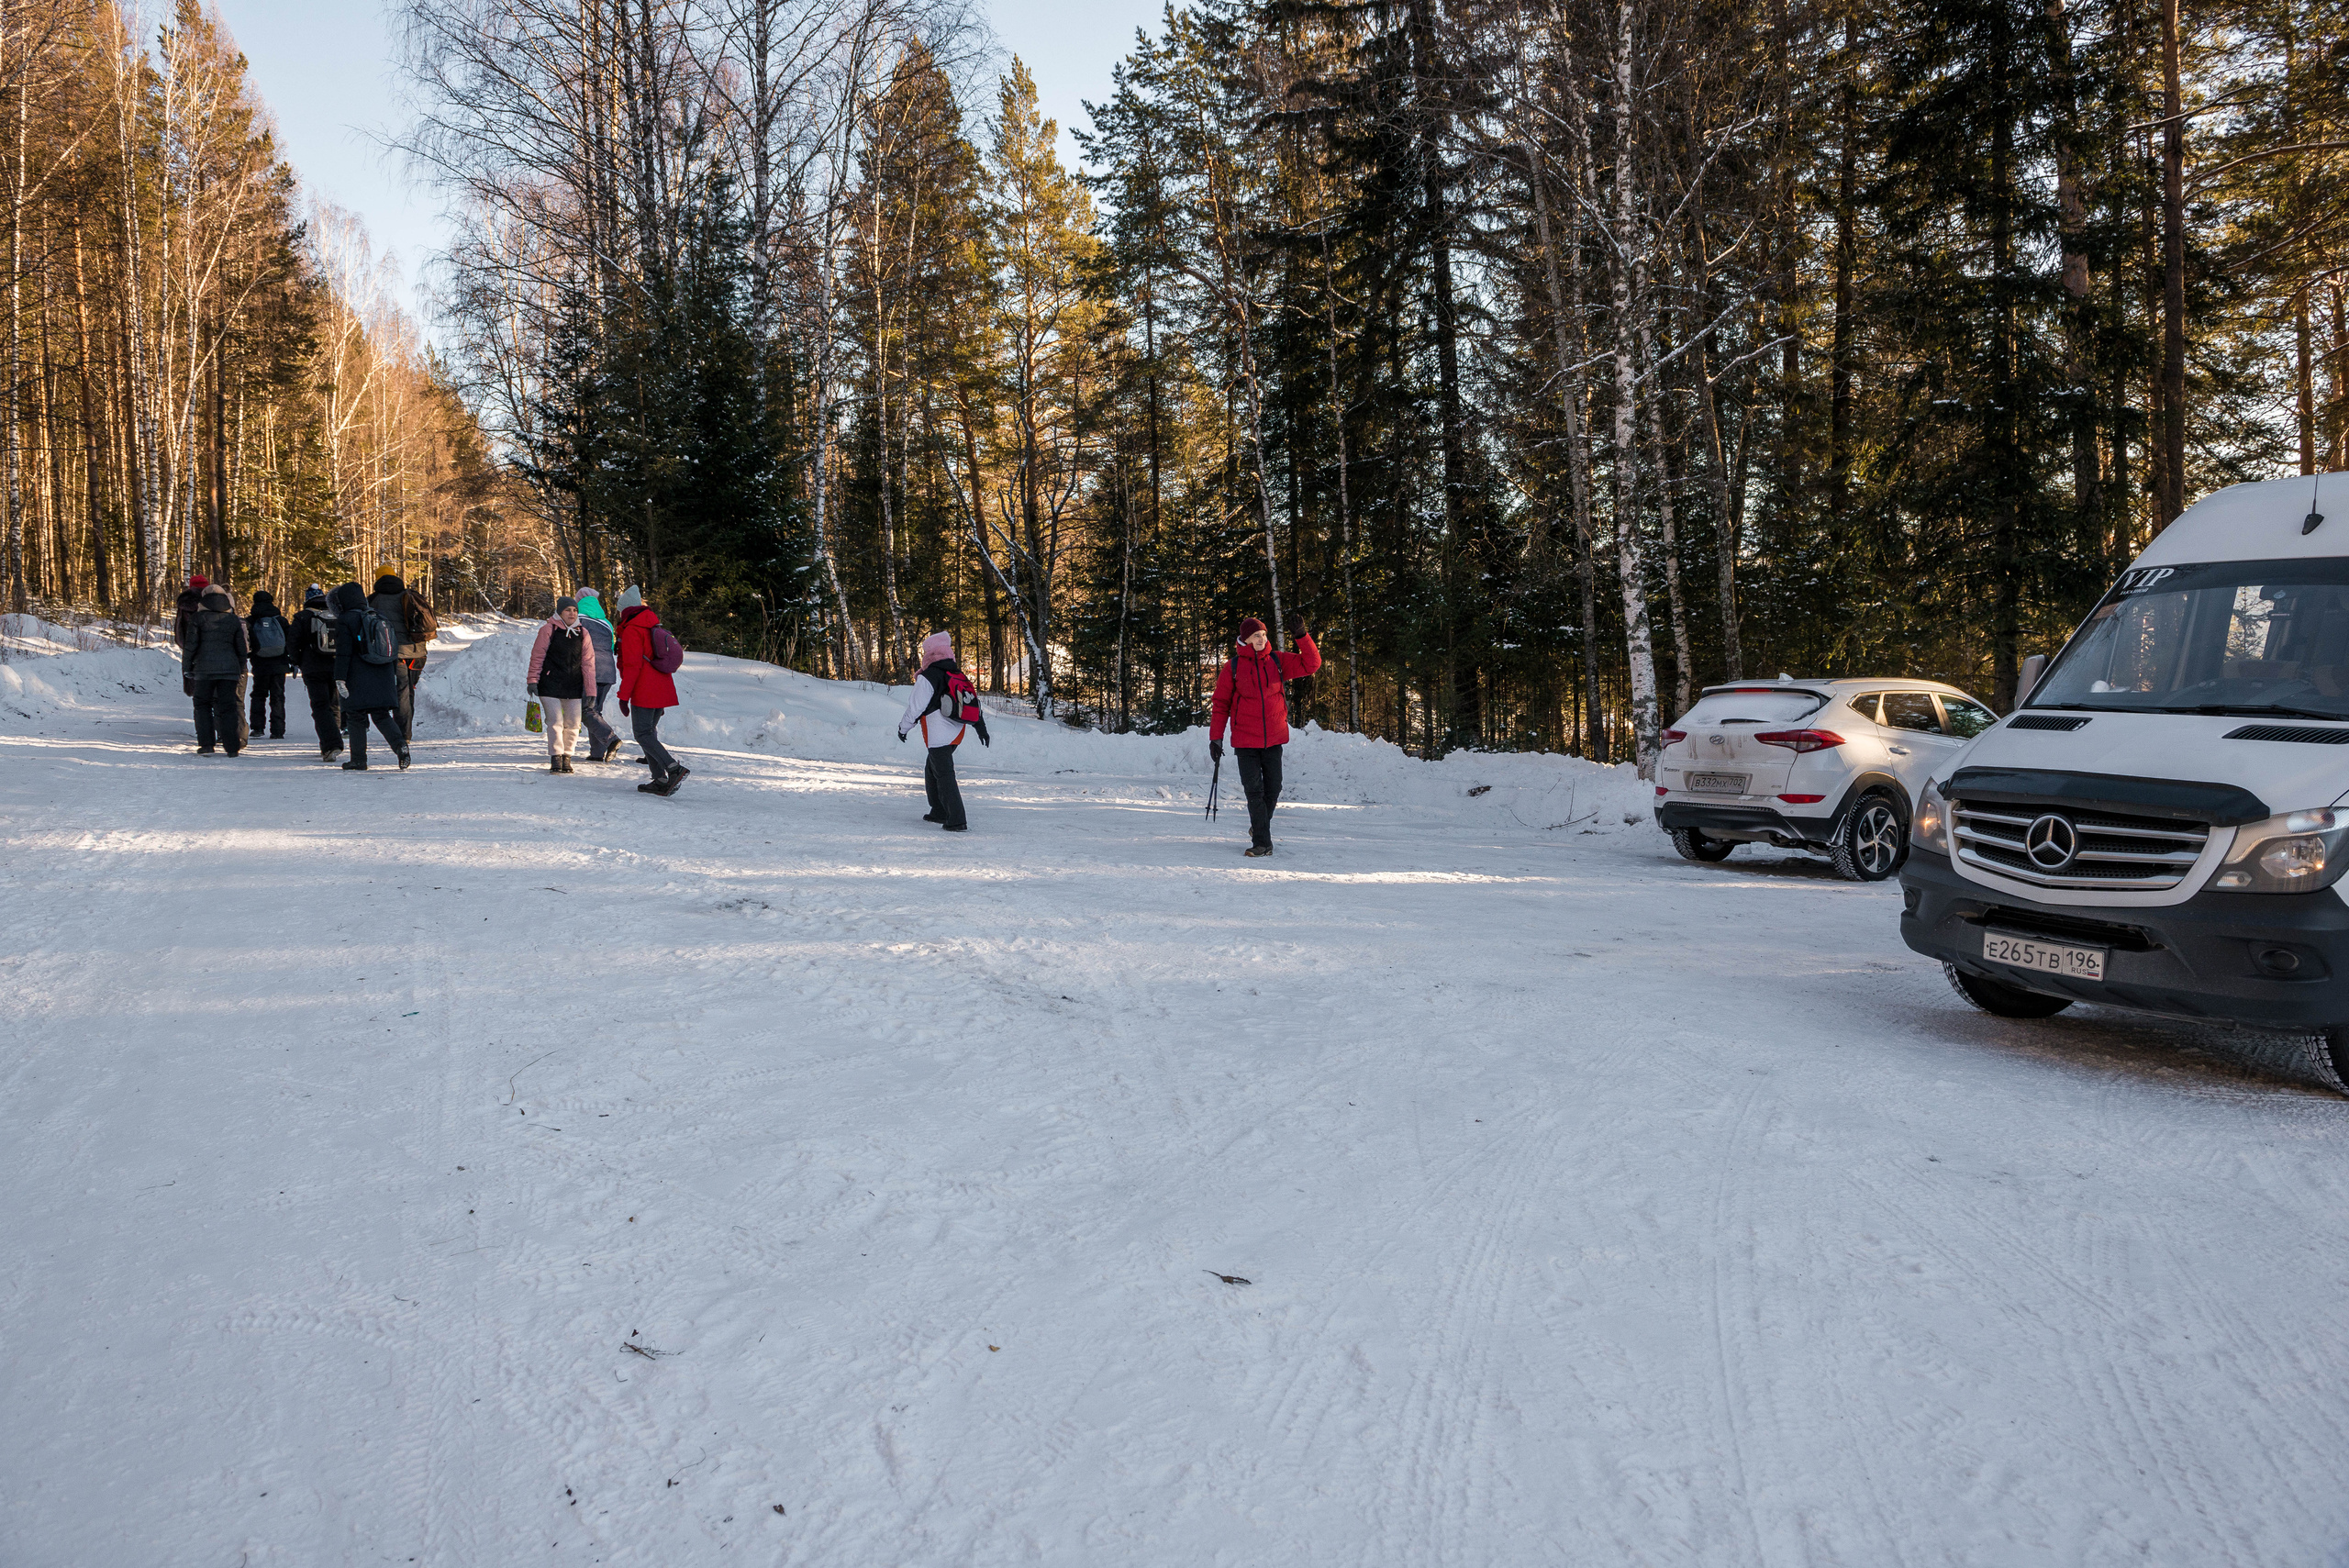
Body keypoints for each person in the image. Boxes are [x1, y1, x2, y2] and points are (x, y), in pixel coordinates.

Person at [1208, 611, 1320, 857]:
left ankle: (1260, 826)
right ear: (1245, 639)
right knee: (1254, 791)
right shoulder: (1233, 667)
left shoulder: (1276, 660)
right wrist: (1215, 737)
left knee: (1274, 788)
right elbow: (1220, 704)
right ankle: (1262, 843)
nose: (1261, 639)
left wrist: (1301, 636)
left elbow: (1311, 664)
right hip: (1245, 741)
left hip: (1274, 738)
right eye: (1256, 636)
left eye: (1263, 635)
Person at [896, 630, 988, 831]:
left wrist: (904, 728)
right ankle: (938, 810)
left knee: (944, 774)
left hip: (938, 731)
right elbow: (973, 702)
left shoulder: (928, 676)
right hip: (957, 730)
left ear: (929, 653)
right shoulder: (957, 674)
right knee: (932, 768)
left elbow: (915, 707)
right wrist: (981, 728)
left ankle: (956, 820)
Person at [615, 584, 689, 795]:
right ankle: (659, 779)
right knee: (649, 733)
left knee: (642, 733)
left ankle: (673, 768)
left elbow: (632, 667)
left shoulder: (632, 630)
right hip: (660, 687)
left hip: (645, 690)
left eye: (620, 610)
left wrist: (623, 696)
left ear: (625, 610)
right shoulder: (650, 625)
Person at [332, 581, 409, 771]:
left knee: (355, 717)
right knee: (381, 715)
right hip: (382, 672)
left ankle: (359, 760)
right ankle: (400, 746)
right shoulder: (379, 615)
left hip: (357, 675)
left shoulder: (345, 619)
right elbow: (392, 647)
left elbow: (343, 652)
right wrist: (391, 673)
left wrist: (340, 678)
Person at [368, 567, 439, 744]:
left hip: (393, 653)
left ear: (378, 579)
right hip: (417, 652)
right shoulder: (409, 595)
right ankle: (406, 731)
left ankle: (403, 734)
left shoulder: (373, 600)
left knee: (401, 691)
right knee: (409, 690)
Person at [526, 597, 598, 773]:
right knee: (555, 722)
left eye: (575, 610)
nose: (572, 613)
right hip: (549, 684)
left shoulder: (583, 633)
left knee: (573, 724)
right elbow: (537, 656)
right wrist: (533, 680)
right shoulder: (548, 630)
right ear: (560, 612)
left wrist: (591, 690)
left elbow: (588, 664)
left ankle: (567, 757)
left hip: (573, 685)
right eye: (568, 610)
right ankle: (556, 757)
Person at [181, 584, 249, 756]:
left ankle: (206, 744)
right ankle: (232, 747)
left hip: (203, 670)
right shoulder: (233, 619)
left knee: (202, 705)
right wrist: (240, 668)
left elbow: (190, 646)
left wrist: (187, 667)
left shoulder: (197, 618)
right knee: (228, 706)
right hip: (229, 671)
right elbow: (241, 648)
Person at [287, 584, 343, 760]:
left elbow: (293, 643)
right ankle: (332, 740)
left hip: (313, 668)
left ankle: (331, 744)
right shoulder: (337, 615)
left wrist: (297, 661)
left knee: (320, 706)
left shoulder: (302, 617)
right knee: (334, 704)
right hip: (336, 665)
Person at [573, 586, 622, 762]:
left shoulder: (577, 619)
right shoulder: (606, 623)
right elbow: (611, 647)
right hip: (607, 672)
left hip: (589, 670)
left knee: (586, 711)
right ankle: (597, 754)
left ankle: (611, 739)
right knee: (595, 711)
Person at [244, 589, 293, 740]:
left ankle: (257, 727)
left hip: (260, 663)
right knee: (278, 696)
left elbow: (247, 643)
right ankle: (278, 730)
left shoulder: (250, 621)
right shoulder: (281, 620)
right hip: (280, 664)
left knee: (258, 694)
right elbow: (290, 641)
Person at [172, 573, 208, 650]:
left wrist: (184, 645)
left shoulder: (185, 601)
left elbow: (179, 627)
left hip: (190, 646)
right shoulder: (214, 601)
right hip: (212, 647)